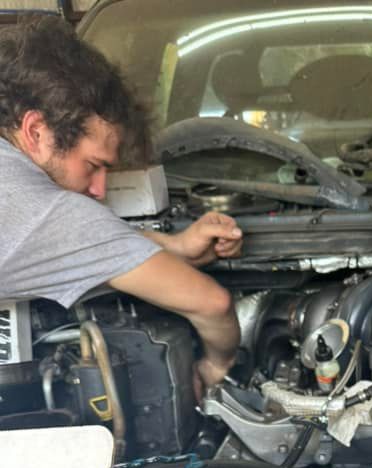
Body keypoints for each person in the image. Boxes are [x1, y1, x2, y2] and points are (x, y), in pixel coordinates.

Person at [0, 16, 242, 392]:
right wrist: (216, 366)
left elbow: (66, 238)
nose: (99, 189)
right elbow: (212, 304)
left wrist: (175, 246)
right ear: (36, 131)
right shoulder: (45, 213)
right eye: (93, 165)